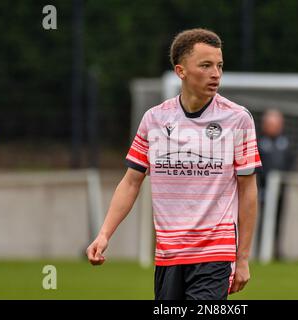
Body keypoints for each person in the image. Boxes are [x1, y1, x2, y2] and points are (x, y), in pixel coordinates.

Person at [86, 28, 262, 300]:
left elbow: (248, 189)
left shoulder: (238, 119)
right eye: (206, 65)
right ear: (181, 71)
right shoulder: (154, 119)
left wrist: (243, 258)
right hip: (168, 255)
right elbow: (131, 181)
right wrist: (104, 234)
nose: (216, 73)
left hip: (215, 254)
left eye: (220, 65)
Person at [257, 110, 294, 260]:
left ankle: (276, 250)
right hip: (264, 188)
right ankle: (261, 250)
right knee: (263, 220)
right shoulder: (259, 142)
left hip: (281, 189)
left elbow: (291, 161)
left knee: (279, 219)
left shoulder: (285, 142)